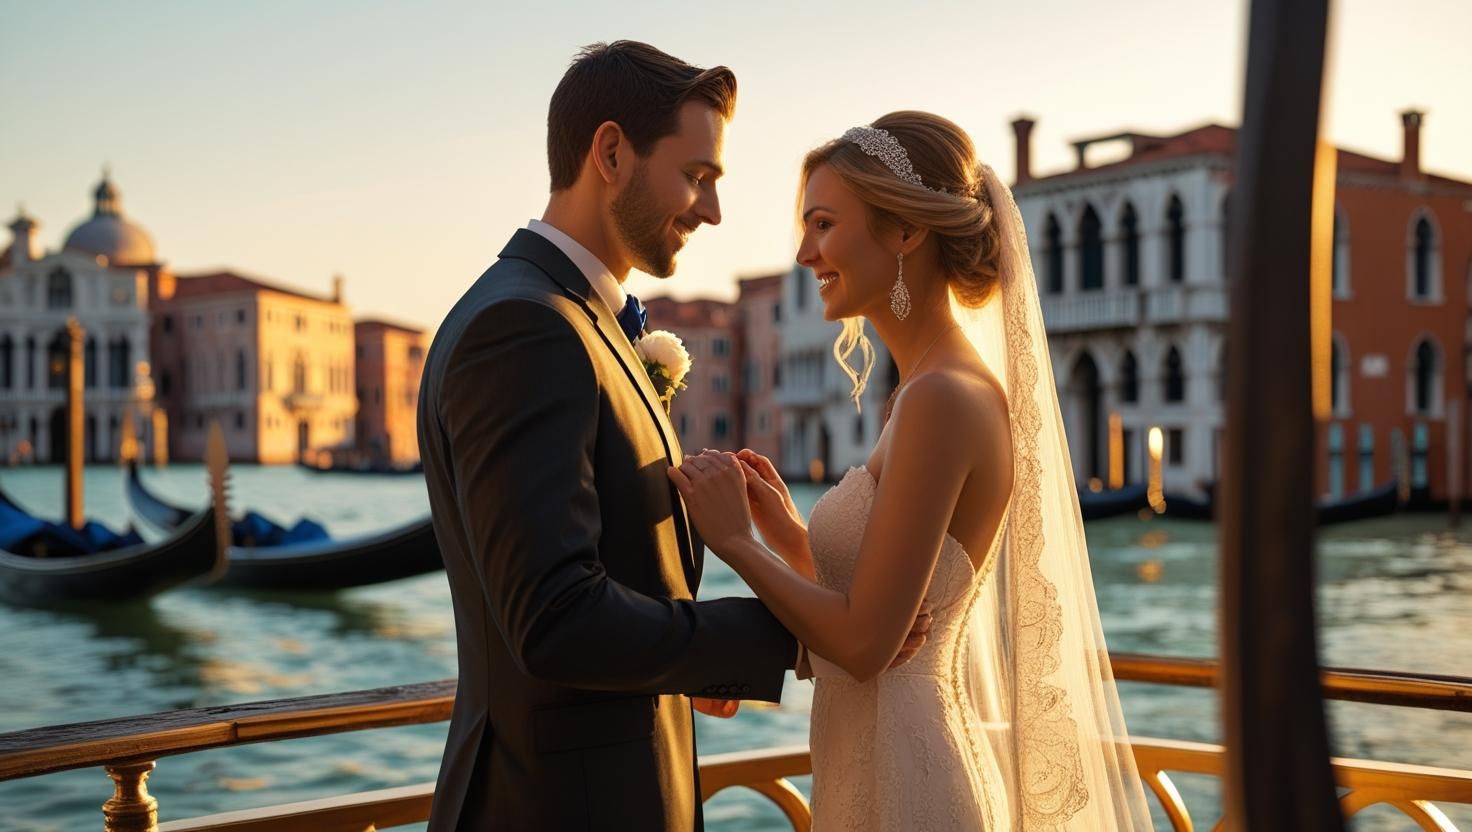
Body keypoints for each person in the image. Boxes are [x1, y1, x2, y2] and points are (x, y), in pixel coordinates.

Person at [417, 44, 928, 831]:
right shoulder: (526, 329)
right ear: (612, 153)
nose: (711, 211)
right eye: (698, 176)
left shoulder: (571, 323)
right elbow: (553, 619)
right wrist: (796, 640)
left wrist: (689, 658)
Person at [670, 111, 1156, 830]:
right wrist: (789, 538)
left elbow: (867, 644)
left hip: (912, 785)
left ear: (905, 232)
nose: (805, 253)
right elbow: (879, 606)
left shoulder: (940, 397)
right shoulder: (924, 389)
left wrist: (736, 541)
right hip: (873, 759)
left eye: (824, 224)